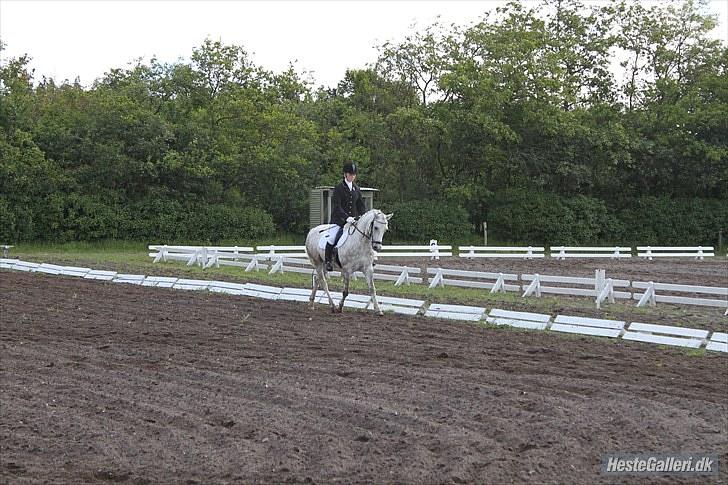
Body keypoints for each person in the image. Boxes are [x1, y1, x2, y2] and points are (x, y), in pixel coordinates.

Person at [325, 162, 366, 271]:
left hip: (353, 221)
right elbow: (337, 206)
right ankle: (328, 260)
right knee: (333, 237)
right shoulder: (339, 188)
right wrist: (346, 217)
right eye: (350, 174)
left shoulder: (356, 189)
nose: (352, 176)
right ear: (345, 174)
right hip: (339, 220)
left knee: (362, 237)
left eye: (354, 174)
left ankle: (365, 259)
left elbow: (361, 205)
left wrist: (362, 215)